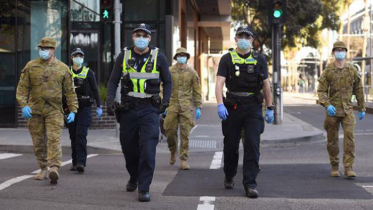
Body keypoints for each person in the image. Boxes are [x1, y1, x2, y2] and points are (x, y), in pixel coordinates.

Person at [106, 23, 172, 202]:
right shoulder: (124, 55)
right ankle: (134, 176)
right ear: (133, 37)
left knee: (148, 149)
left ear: (149, 38)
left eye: (144, 35)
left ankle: (144, 187)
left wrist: (165, 102)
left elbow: (168, 81)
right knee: (129, 148)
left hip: (149, 109)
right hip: (128, 109)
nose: (141, 38)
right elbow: (112, 81)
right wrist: (110, 100)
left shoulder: (159, 57)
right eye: (138, 35)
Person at [215, 26, 274, 198]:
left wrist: (270, 108)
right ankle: (229, 174)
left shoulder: (259, 59)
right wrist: (220, 104)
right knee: (231, 145)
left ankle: (250, 184)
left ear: (251, 40)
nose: (243, 39)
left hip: (253, 106)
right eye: (240, 36)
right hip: (232, 106)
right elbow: (219, 83)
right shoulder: (227, 59)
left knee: (252, 144)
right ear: (235, 39)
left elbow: (266, 85)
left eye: (246, 37)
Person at [16, 37, 78, 184]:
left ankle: (54, 167)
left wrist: (73, 110)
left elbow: (70, 91)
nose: (44, 51)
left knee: (53, 138)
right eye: (42, 48)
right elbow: (22, 88)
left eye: (47, 48)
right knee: (38, 141)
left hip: (54, 109)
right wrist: (23, 105)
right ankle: (43, 167)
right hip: (34, 109)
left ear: (53, 49)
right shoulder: (31, 66)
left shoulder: (63, 68)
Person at [317, 40, 365, 178]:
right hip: (332, 111)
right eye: (337, 50)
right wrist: (326, 104)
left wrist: (361, 107)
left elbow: (359, 89)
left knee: (349, 138)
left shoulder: (352, 70)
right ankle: (334, 165)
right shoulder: (328, 71)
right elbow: (321, 90)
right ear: (333, 53)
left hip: (348, 110)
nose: (340, 52)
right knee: (332, 140)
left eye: (342, 50)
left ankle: (349, 167)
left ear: (346, 53)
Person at [163, 47, 202, 170]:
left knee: (185, 133)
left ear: (186, 57)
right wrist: (162, 104)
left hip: (186, 106)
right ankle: (173, 151)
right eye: (179, 55)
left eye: (183, 55)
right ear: (176, 57)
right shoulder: (169, 71)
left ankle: (183, 159)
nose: (181, 57)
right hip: (172, 105)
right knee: (169, 131)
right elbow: (162, 87)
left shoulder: (192, 72)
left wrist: (198, 106)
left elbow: (196, 90)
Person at [66, 48, 102, 173]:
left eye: (80, 56)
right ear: (71, 58)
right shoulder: (67, 72)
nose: (78, 58)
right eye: (76, 55)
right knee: (73, 135)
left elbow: (95, 89)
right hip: (70, 108)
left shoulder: (88, 72)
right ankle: (75, 161)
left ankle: (81, 162)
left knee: (81, 134)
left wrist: (99, 106)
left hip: (84, 107)